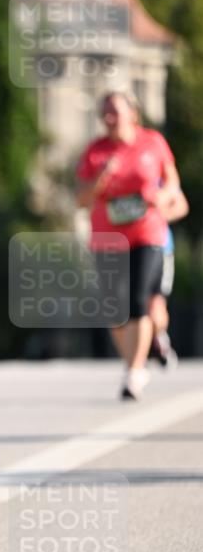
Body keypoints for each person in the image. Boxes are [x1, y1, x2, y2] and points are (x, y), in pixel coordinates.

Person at [76, 91, 182, 400]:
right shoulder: (95, 152)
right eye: (104, 113)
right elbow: (81, 201)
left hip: (147, 233)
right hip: (107, 239)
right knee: (114, 310)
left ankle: (135, 372)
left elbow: (172, 182)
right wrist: (100, 179)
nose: (108, 119)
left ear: (132, 114)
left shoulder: (153, 143)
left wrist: (163, 197)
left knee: (139, 300)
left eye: (114, 112)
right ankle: (135, 361)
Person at [148, 184, 189, 368]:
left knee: (156, 303)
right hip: (126, 250)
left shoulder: (159, 173)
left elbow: (181, 206)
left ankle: (159, 337)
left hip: (161, 249)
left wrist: (156, 218)